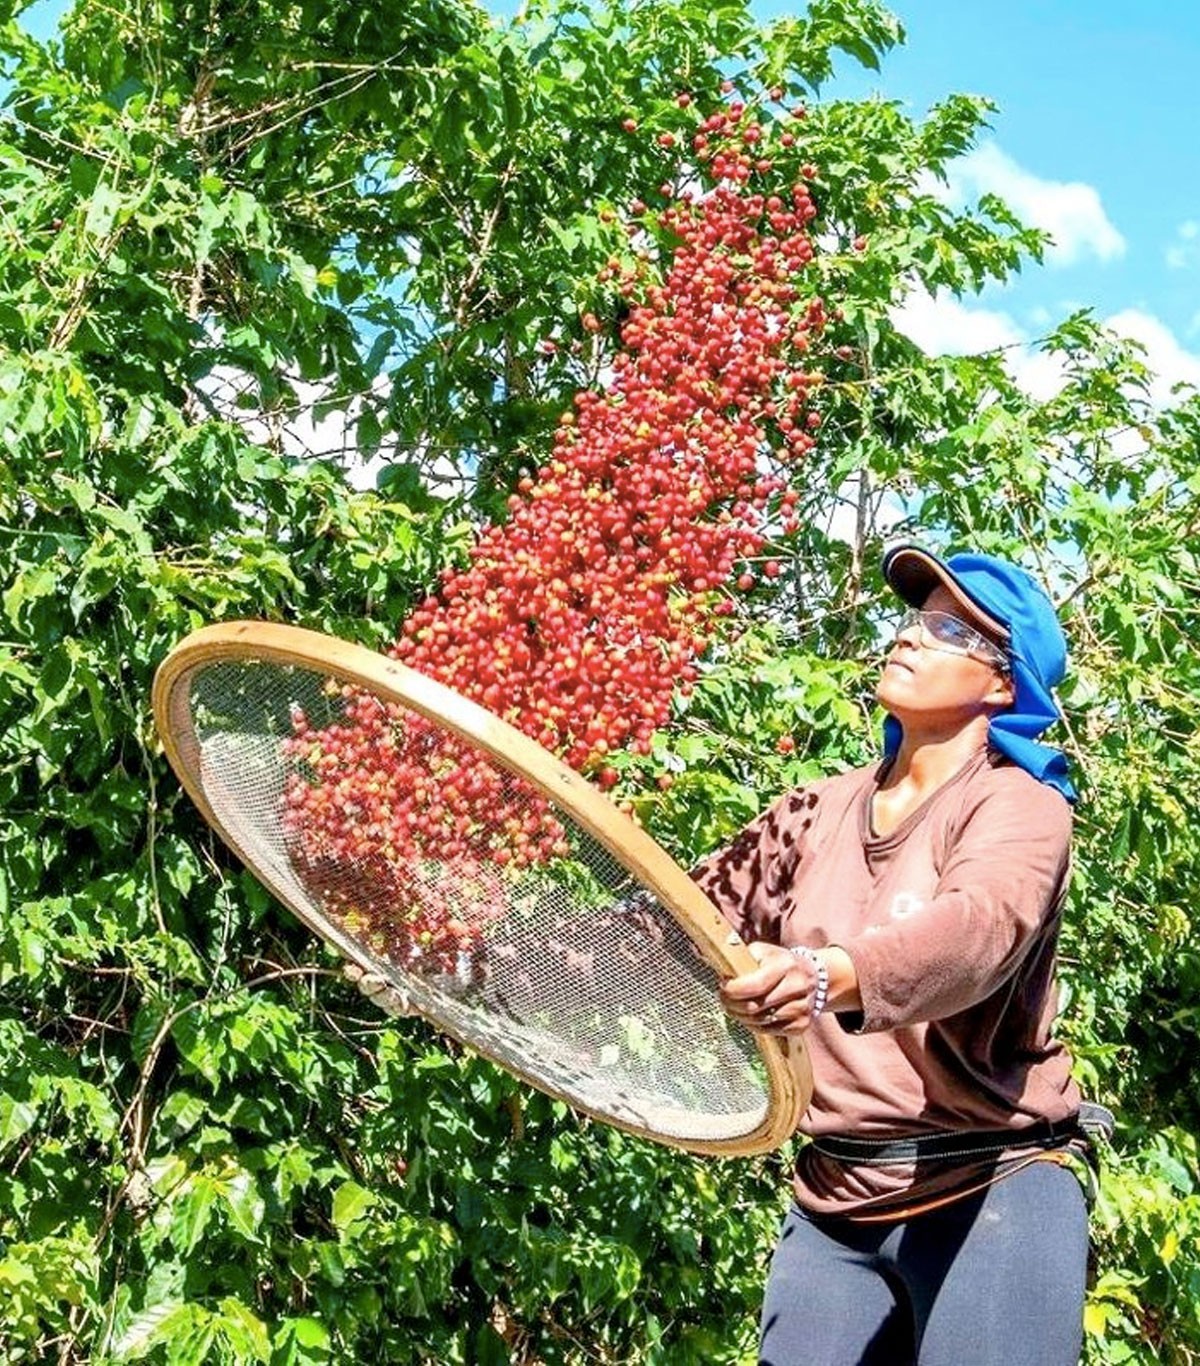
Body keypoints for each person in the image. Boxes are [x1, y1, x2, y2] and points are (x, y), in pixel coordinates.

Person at [693, 542, 1100, 1366]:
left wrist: (823, 974)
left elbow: (975, 932)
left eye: (953, 631)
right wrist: (476, 960)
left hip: (991, 1185)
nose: (913, 637)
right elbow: (680, 924)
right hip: (834, 1199)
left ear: (1001, 684)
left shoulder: (1021, 807)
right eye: (917, 619)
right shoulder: (812, 812)